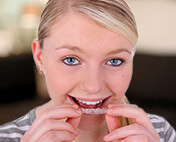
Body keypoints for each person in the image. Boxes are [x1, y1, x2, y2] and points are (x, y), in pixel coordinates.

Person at [0, 0, 175, 141]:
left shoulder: (159, 133)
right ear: (39, 57)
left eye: (115, 61)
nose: (93, 86)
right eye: (71, 60)